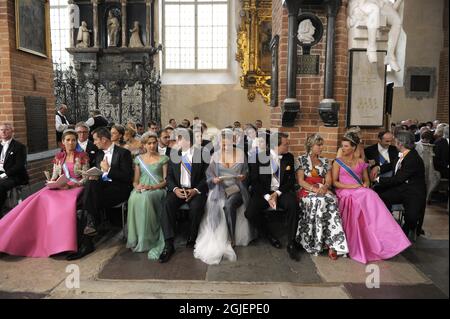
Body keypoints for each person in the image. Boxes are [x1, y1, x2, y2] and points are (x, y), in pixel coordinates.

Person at [0, 130, 89, 257]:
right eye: (68, 140)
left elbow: (86, 176)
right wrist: (52, 182)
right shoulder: (59, 157)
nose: (71, 143)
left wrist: (73, 185)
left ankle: (61, 245)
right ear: (62, 142)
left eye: (73, 140)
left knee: (60, 206)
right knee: (38, 198)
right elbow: (54, 175)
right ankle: (13, 237)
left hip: (75, 188)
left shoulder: (82, 156)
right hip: (60, 186)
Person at [332, 131, 410, 264]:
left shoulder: (361, 162)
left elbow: (367, 181)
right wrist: (353, 187)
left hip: (359, 190)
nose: (342, 149)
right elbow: (335, 182)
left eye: (345, 146)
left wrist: (364, 184)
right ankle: (360, 239)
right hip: (344, 190)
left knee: (371, 194)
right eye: (342, 146)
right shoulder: (338, 162)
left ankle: (385, 235)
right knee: (359, 198)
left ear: (353, 147)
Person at [67, 127, 133, 260]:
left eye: (96, 140)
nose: (94, 143)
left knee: (86, 202)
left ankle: (86, 241)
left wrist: (108, 170)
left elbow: (127, 177)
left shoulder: (123, 153)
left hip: (118, 190)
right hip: (101, 189)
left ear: (104, 139)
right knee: (91, 186)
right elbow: (97, 172)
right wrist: (92, 175)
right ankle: (88, 234)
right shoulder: (99, 154)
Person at [194, 129, 255, 265]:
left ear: (233, 141)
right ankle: (222, 236)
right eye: (222, 142)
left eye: (227, 141)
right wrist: (214, 180)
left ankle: (232, 237)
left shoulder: (241, 154)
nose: (224, 145)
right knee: (218, 203)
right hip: (220, 189)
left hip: (237, 188)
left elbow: (247, 174)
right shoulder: (215, 156)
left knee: (229, 204)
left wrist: (243, 177)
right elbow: (209, 176)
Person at [245, 132, 301, 261]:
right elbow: (255, 181)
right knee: (250, 213)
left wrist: (277, 194)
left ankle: (291, 243)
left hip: (281, 192)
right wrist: (267, 196)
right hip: (263, 192)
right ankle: (269, 235)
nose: (288, 147)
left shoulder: (288, 158)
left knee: (293, 205)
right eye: (286, 144)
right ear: (276, 145)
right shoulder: (259, 158)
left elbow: (290, 180)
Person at [158, 128, 208, 263]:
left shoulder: (202, 154)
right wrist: (174, 189)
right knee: (166, 205)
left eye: (179, 139)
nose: (175, 141)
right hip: (178, 190)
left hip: (195, 190)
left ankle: (192, 237)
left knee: (196, 206)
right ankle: (168, 244)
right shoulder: (174, 154)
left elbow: (206, 177)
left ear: (187, 140)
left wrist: (196, 190)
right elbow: (168, 177)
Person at [295, 134, 349, 260]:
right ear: (310, 146)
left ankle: (333, 244)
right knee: (318, 201)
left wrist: (325, 187)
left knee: (331, 200)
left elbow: (329, 180)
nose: (321, 147)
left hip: (322, 189)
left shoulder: (325, 162)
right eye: (318, 145)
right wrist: (314, 189)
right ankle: (316, 242)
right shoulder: (301, 160)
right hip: (307, 190)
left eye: (321, 145)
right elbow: (301, 181)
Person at [375, 130, 427, 239]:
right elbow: (392, 165)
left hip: (413, 192)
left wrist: (378, 179)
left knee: (411, 218)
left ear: (401, 143)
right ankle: (388, 223)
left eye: (395, 141)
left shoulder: (413, 158)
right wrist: (378, 168)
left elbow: (398, 179)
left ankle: (406, 229)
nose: (393, 143)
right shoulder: (403, 154)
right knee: (380, 196)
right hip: (402, 188)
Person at [127, 132, 168, 259]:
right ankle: (139, 237)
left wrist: (153, 187)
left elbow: (166, 180)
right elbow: (135, 180)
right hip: (142, 188)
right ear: (144, 145)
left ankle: (150, 238)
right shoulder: (138, 159)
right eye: (149, 143)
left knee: (146, 198)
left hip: (158, 189)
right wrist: (136, 187)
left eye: (154, 143)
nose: (152, 146)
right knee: (133, 197)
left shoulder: (163, 158)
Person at [347, 0, 403, 71]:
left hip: (380, 4)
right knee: (374, 9)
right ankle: (371, 48)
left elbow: (393, 8)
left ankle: (390, 56)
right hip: (363, 3)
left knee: (397, 20)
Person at [0, 123, 29, 212]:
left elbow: (19, 166)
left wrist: (4, 175)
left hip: (14, 175)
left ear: (12, 132)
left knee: (0, 186)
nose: (3, 132)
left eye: (6, 129)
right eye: (1, 130)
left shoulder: (19, 147)